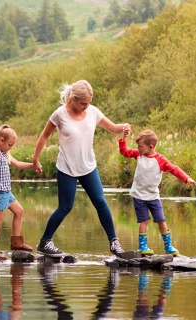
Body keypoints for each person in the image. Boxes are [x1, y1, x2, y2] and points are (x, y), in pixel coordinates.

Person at [32, 79, 129, 257]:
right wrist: (35, 159)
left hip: (88, 166)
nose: (86, 106)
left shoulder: (92, 112)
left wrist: (123, 127)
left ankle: (114, 243)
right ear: (73, 99)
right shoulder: (59, 114)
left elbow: (113, 128)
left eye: (89, 103)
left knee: (101, 202)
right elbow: (44, 136)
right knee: (65, 207)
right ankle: (45, 242)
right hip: (67, 167)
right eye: (83, 103)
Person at [119, 129, 196, 256]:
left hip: (153, 196)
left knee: (161, 220)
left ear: (150, 146)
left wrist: (187, 178)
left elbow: (174, 169)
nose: (138, 148)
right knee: (143, 220)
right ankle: (143, 247)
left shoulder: (160, 160)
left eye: (140, 146)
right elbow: (124, 152)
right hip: (139, 196)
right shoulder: (138, 154)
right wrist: (124, 138)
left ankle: (168, 246)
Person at [0, 124, 34, 261]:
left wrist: (33, 165)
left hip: (6, 191)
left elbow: (17, 163)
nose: (11, 148)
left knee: (19, 211)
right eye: (10, 145)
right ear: (1, 140)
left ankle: (17, 243)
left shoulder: (5, 154)